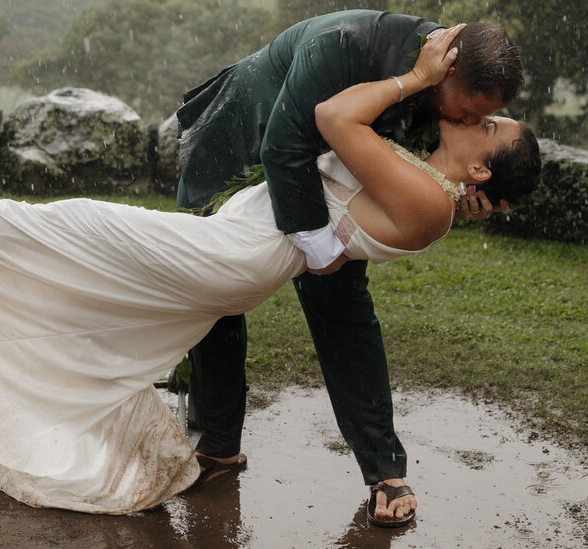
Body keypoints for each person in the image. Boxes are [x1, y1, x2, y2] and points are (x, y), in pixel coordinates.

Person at [0, 26, 540, 517]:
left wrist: (414, 76)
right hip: (240, 235)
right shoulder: (426, 173)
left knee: (73, 228)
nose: (466, 112)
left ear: (477, 163)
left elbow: (333, 116)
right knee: (78, 250)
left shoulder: (427, 201)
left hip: (242, 257)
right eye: (482, 113)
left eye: (484, 124)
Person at [174, 11, 524, 526]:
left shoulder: (446, 82)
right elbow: (282, 144)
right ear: (446, 73)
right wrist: (320, 249)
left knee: (341, 303)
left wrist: (465, 191)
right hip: (240, 137)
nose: (469, 124)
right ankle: (218, 444)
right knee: (213, 291)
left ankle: (383, 469)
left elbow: (422, 159)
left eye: (483, 119)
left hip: (319, 160)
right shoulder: (344, 45)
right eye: (471, 113)